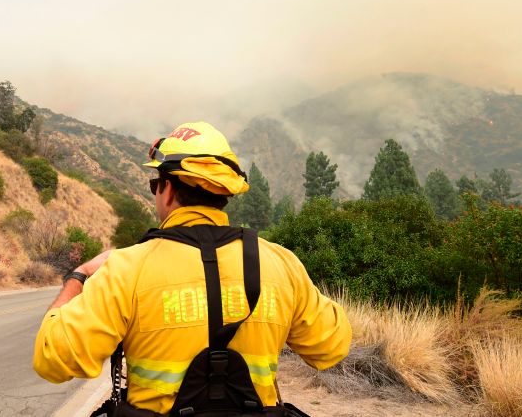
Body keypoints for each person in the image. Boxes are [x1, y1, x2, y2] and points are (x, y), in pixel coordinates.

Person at [33, 121, 351, 415]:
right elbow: (331, 347)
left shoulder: (126, 268)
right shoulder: (282, 264)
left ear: (167, 189)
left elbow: (52, 359)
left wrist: (78, 277)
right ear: (223, 192)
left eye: (154, 184)